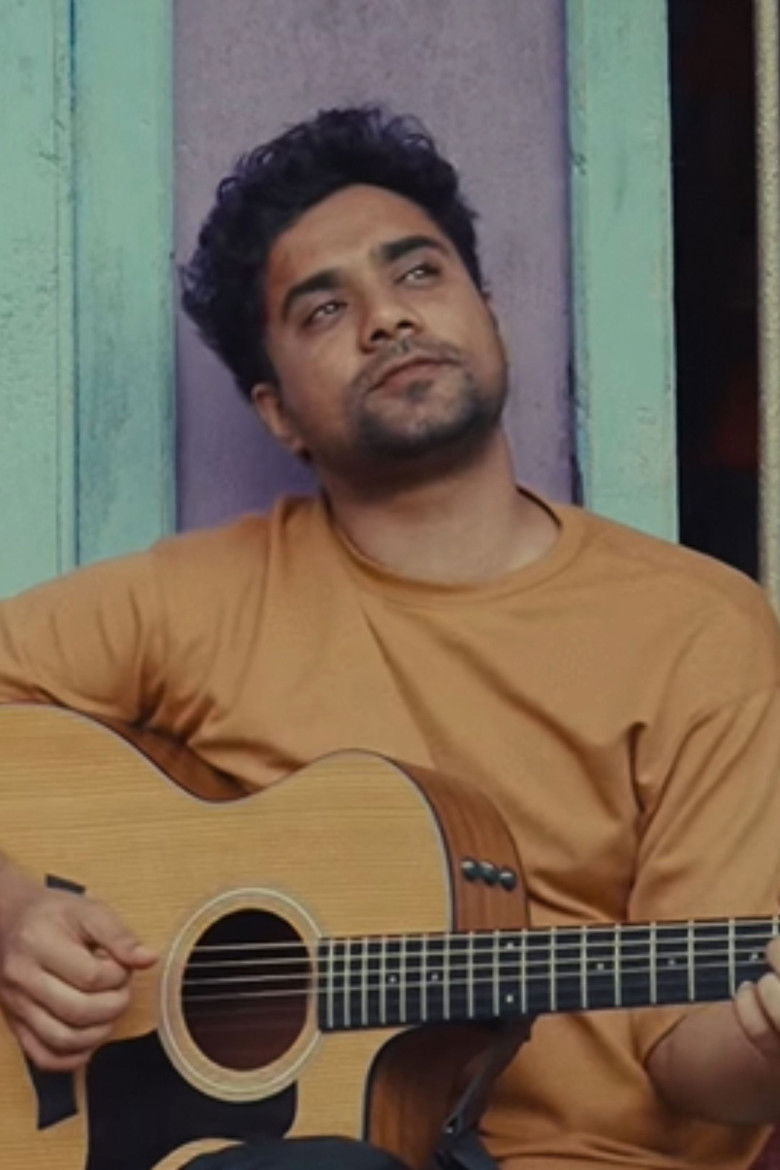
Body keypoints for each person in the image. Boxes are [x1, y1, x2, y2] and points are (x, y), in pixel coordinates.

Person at [0, 105, 780, 1170]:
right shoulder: (199, 601)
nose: (387, 319)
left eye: (418, 272)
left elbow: (699, 1063)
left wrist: (766, 1036)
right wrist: (14, 911)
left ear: (487, 313)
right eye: (325, 308)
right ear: (277, 412)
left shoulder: (700, 630)